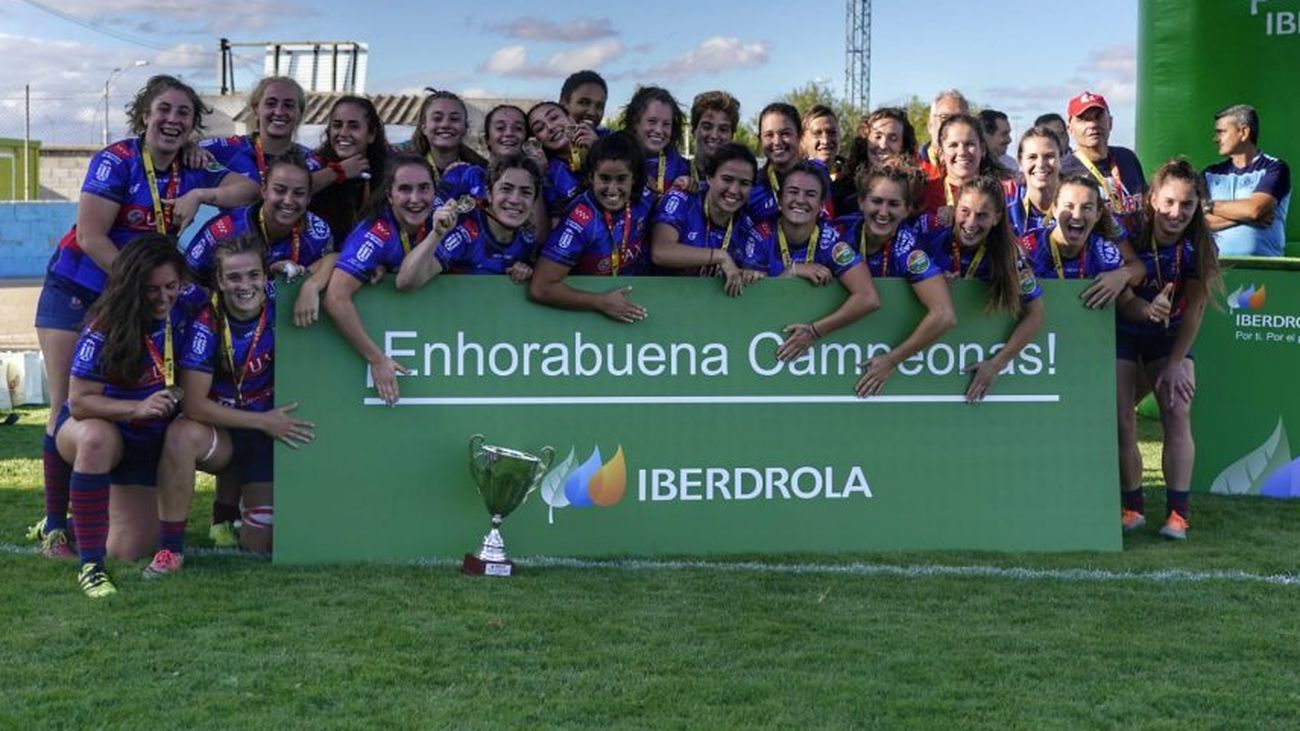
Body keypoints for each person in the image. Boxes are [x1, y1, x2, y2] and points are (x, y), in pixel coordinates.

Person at [30, 75, 256, 559]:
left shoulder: (192, 167)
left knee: (133, 391)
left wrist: (202, 195)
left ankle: (109, 496)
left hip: (139, 294)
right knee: (65, 405)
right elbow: (91, 237)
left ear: (193, 125)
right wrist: (137, 289)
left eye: (184, 113)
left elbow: (249, 187)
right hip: (79, 287)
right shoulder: (117, 159)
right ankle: (54, 527)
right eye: (164, 110)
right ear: (144, 115)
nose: (172, 120)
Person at [149, 234, 314, 573]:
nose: (245, 285)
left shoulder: (281, 300)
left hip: (265, 440)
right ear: (220, 282)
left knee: (258, 546)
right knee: (181, 434)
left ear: (266, 276)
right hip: (225, 433)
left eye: (253, 275)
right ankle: (171, 549)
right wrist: (264, 421)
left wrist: (309, 282)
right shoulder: (206, 323)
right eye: (234, 277)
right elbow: (194, 406)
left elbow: (335, 262)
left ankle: (234, 511)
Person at [55, 235, 191, 597]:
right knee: (96, 438)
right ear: (132, 287)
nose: (163, 297)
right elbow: (79, 402)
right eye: (151, 290)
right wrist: (136, 408)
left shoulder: (188, 305)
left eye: (171, 286)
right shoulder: (104, 326)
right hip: (104, 429)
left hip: (149, 441)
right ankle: (91, 566)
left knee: (130, 549)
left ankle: (81, 519)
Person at [1115, 158, 1222, 540]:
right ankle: (1132, 507)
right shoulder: (1128, 229)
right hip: (1122, 328)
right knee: (1121, 416)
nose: (1176, 213)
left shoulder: (1200, 245)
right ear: (1153, 199)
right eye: (1169, 202)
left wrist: (1176, 362)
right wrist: (1142, 307)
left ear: (1197, 206)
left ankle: (1178, 514)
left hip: (1169, 333)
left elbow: (1195, 310)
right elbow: (1121, 293)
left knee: (1177, 410)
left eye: (1187, 204)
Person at [834, 157, 957, 396]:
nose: (883, 212)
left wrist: (892, 360)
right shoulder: (839, 233)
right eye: (876, 201)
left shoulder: (907, 247)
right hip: (832, 356)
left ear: (907, 209)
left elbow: (945, 316)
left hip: (871, 358)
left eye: (893, 204)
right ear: (861, 202)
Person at [740, 160, 881, 361]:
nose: (800, 200)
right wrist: (792, 271)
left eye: (811, 194)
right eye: (793, 192)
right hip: (760, 342)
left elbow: (868, 298)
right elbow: (754, 301)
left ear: (821, 205)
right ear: (779, 199)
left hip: (818, 356)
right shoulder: (760, 235)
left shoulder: (831, 240)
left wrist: (814, 332)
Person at [323, 154, 436, 405]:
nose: (415, 199)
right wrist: (377, 359)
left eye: (424, 188)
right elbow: (335, 298)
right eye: (404, 189)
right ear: (390, 195)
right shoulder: (376, 233)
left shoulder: (439, 216)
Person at [929, 176, 1047, 402]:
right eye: (965, 211)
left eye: (982, 215)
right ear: (955, 208)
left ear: (997, 218)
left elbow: (1036, 314)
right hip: (928, 356)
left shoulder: (1009, 254)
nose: (971, 223)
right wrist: (930, 286)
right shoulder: (930, 234)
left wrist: (996, 364)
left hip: (962, 356)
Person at [186, 152, 335, 324]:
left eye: (299, 193)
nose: (288, 200)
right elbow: (188, 279)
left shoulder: (318, 233)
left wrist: (311, 284)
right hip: (227, 324)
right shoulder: (225, 229)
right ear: (264, 190)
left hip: (286, 326)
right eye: (279, 190)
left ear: (308, 198)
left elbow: (335, 261)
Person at [530, 132, 654, 322]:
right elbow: (541, 287)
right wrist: (600, 302)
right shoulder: (580, 219)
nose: (612, 189)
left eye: (621, 179)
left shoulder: (646, 198)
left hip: (638, 305)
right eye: (604, 178)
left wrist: (689, 184)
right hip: (590, 318)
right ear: (591, 177)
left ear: (634, 178)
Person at [396, 153, 542, 288]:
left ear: (534, 200)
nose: (515, 200)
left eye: (525, 192)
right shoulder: (467, 234)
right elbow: (406, 282)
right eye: (506, 189)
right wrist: (436, 234)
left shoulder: (529, 238)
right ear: (489, 194)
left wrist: (526, 269)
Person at [195, 76, 338, 192]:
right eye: (271, 103)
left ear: (299, 113)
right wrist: (190, 147)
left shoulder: (312, 161)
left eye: (288, 105)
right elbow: (181, 148)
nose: (279, 112)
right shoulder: (226, 149)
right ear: (256, 109)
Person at [650, 142, 757, 292]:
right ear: (709, 178)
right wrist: (720, 257)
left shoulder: (747, 226)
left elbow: (755, 271)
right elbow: (660, 251)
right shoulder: (682, 198)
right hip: (662, 298)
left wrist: (751, 275)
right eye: (727, 179)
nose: (734, 190)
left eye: (744, 183)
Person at [1203, 104, 1292, 257]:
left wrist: (1208, 205)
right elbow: (1200, 222)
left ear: (1244, 132)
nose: (1216, 139)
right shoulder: (1209, 174)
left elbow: (1254, 209)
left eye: (1221, 132)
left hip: (1265, 268)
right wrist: (1247, 217)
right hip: (1217, 268)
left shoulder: (1275, 168)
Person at [1060, 92, 1146, 241]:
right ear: (1070, 128)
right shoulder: (1064, 171)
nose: (1092, 124)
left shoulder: (1127, 158)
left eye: (1098, 117)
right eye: (1083, 119)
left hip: (1137, 249)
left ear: (1110, 122)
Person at [311, 95, 388, 244]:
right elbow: (294, 189)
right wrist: (338, 172)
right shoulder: (316, 163)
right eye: (337, 125)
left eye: (353, 126)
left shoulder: (387, 170)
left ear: (371, 134)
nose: (343, 133)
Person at [919, 114, 1014, 227]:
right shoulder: (925, 193)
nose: (962, 152)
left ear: (982, 149)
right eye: (953, 145)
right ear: (941, 154)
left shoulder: (1004, 192)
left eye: (969, 144)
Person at [1025, 175, 1125, 281]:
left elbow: (1129, 289)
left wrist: (1121, 277)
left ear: (1097, 214)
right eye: (1069, 206)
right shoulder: (1027, 249)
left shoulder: (1104, 253)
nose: (1077, 216)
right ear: (1054, 210)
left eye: (1087, 208)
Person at [749, 104, 832, 221]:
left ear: (799, 135)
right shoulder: (752, 184)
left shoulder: (818, 172)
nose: (777, 142)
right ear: (760, 140)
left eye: (785, 134)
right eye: (769, 135)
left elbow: (828, 220)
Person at [395, 89, 488, 192]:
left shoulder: (481, 173)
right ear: (424, 128)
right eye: (437, 118)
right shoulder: (400, 169)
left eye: (454, 119)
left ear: (465, 128)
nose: (445, 124)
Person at [624, 86, 690, 197]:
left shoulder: (679, 167)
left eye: (666, 124)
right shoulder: (615, 157)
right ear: (635, 122)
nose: (659, 130)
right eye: (652, 121)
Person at [527, 101, 587, 221]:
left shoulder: (601, 140)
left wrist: (598, 150)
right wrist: (540, 175)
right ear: (536, 141)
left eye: (554, 118)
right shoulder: (548, 174)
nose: (550, 127)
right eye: (540, 128)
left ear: (571, 120)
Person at [1008, 126, 1062, 236]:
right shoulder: (1007, 210)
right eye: (1032, 157)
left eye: (1049, 156)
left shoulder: (1075, 206)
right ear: (1020, 162)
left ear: (1060, 159)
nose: (1041, 164)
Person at [687, 91, 740, 186]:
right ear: (694, 130)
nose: (714, 135)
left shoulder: (741, 180)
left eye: (723, 129)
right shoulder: (675, 172)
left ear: (732, 136)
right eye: (707, 127)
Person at [919, 90, 969, 179]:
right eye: (944, 117)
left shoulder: (981, 170)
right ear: (930, 125)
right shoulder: (913, 167)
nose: (952, 124)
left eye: (960, 118)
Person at [559, 70, 608, 134]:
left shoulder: (611, 138)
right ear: (563, 105)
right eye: (584, 103)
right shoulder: (547, 136)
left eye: (599, 106)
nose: (592, 112)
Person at [978, 109, 1019, 178]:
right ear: (986, 135)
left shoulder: (1010, 165)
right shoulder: (970, 164)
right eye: (1004, 134)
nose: (1009, 140)